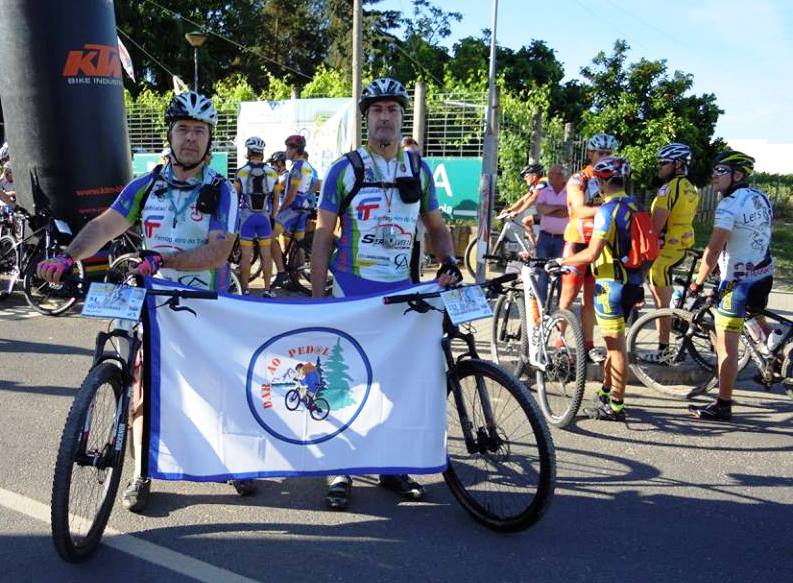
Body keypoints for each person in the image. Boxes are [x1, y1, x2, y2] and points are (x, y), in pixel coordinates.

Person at [36, 90, 251, 511]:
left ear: (210, 140)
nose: (191, 138)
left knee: (215, 388)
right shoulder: (144, 187)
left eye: (200, 131)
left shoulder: (223, 191)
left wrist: (163, 257)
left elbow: (218, 251)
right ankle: (140, 473)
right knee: (141, 382)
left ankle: (233, 461)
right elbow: (103, 227)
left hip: (202, 304)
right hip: (152, 301)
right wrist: (67, 257)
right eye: (183, 129)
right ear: (169, 135)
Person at [310, 77, 461, 509]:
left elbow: (436, 228)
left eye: (392, 110)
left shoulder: (419, 169)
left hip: (402, 292)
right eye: (377, 110)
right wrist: (319, 299)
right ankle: (338, 468)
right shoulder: (346, 170)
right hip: (352, 290)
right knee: (343, 378)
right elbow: (323, 237)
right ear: (367, 118)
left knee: (400, 382)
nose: (385, 117)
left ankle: (393, 465)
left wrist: (449, 259)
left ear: (401, 117)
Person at [688, 151, 774, 421]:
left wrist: (697, 282)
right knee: (756, 317)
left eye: (721, 171)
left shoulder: (728, 205)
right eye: (714, 170)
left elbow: (713, 249)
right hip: (763, 272)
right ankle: (774, 355)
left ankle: (723, 404)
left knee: (727, 348)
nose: (714, 175)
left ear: (738, 175)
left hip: (737, 282)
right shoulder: (760, 197)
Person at [560, 156, 644, 421]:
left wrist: (562, 261)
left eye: (598, 180)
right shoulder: (636, 205)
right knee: (612, 346)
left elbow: (591, 253)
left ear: (603, 181)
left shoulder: (607, 211)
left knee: (616, 348)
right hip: (632, 283)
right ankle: (607, 392)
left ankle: (615, 405)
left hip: (610, 285)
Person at [559, 133, 619, 363]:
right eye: (600, 153)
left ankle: (588, 344)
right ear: (590, 154)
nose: (605, 157)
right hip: (577, 241)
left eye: (608, 154)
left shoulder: (612, 179)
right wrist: (611, 207)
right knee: (568, 297)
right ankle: (560, 343)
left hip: (599, 243)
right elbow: (579, 209)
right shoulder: (579, 179)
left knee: (591, 300)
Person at [642, 143, 699, 362]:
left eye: (663, 163)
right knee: (665, 299)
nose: (659, 167)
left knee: (660, 305)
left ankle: (663, 351)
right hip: (682, 246)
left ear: (678, 164)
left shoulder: (668, 189)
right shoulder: (691, 188)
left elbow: (655, 227)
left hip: (665, 252)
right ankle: (680, 307)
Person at [270, 134, 317, 289]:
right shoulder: (308, 166)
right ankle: (295, 280)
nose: (286, 152)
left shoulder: (296, 167)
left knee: (268, 237)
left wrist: (280, 210)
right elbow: (314, 186)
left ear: (295, 150)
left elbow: (291, 194)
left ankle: (282, 273)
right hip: (304, 209)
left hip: (293, 209)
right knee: (298, 244)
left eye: (288, 148)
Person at [234, 136, 278, 295]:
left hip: (247, 217)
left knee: (246, 257)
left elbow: (236, 198)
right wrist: (272, 217)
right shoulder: (273, 173)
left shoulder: (241, 172)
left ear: (248, 152)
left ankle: (245, 290)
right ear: (262, 153)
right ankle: (267, 290)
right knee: (267, 256)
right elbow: (276, 199)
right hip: (264, 217)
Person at [534, 164, 568, 304]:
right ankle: (541, 304)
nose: (549, 176)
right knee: (542, 272)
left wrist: (550, 209)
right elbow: (540, 208)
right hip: (545, 237)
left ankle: (561, 305)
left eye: (553, 173)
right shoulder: (545, 190)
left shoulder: (570, 192)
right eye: (549, 173)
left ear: (561, 176)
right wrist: (558, 209)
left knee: (561, 273)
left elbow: (568, 212)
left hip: (563, 239)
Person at [503, 163, 546, 247]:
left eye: (526, 175)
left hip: (554, 214)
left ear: (534, 175)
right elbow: (523, 199)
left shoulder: (543, 182)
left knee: (526, 221)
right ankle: (536, 248)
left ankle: (535, 250)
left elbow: (533, 198)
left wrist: (518, 212)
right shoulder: (535, 185)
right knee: (527, 223)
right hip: (546, 213)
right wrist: (510, 210)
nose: (524, 178)